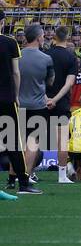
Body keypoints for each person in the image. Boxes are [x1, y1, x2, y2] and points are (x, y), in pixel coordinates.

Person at [0, 29, 37, 195]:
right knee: (13, 142)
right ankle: (23, 183)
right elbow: (16, 72)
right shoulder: (10, 42)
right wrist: (16, 95)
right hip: (6, 97)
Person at [17, 24, 55, 181]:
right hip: (38, 105)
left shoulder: (17, 56)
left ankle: (15, 177)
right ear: (39, 38)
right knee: (33, 142)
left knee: (17, 144)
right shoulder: (46, 59)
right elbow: (51, 81)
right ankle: (26, 176)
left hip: (18, 104)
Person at [44, 27, 78, 184]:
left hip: (42, 102)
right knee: (62, 140)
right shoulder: (71, 58)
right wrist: (56, 100)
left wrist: (47, 98)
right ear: (68, 37)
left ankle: (27, 173)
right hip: (61, 103)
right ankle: (62, 175)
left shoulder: (45, 55)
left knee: (32, 139)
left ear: (54, 37)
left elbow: (39, 80)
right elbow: (69, 83)